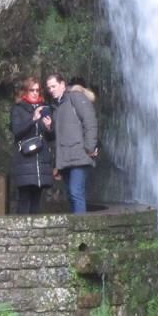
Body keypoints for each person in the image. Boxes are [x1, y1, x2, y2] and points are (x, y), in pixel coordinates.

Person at [45, 73, 98, 213]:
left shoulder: (75, 97)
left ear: (63, 84)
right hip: (65, 159)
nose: (51, 90)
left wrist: (90, 147)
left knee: (76, 193)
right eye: (49, 87)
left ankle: (81, 231)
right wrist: (50, 127)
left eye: (54, 86)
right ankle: (77, 229)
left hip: (79, 156)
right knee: (71, 195)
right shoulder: (56, 107)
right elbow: (58, 137)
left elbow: (90, 121)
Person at [9, 76, 54, 214]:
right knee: (24, 199)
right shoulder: (18, 109)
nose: (35, 93)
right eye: (31, 90)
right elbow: (16, 131)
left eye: (37, 90)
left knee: (36, 200)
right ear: (25, 91)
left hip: (41, 161)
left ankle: (35, 233)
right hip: (25, 160)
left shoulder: (46, 108)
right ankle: (22, 233)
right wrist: (33, 119)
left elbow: (51, 137)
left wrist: (49, 127)